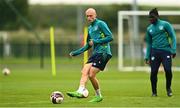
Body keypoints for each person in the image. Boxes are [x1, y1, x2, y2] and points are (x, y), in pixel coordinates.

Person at [66, 8, 113, 102]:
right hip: (95, 53)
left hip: (103, 52)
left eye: (91, 15)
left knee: (91, 75)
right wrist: (76, 53)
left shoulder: (101, 24)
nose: (89, 17)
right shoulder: (90, 28)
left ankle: (98, 95)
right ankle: (80, 90)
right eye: (87, 16)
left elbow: (110, 37)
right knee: (84, 70)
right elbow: (88, 45)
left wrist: (96, 41)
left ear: (95, 15)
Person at [144, 8, 176, 97]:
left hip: (166, 51)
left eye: (152, 18)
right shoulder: (149, 29)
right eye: (149, 18)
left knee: (168, 70)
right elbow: (149, 43)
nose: (151, 20)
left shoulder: (165, 25)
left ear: (157, 17)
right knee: (153, 72)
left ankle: (168, 88)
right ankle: (154, 92)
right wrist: (147, 56)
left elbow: (173, 36)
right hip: (154, 52)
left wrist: (173, 49)